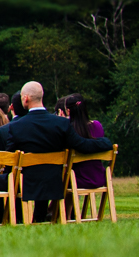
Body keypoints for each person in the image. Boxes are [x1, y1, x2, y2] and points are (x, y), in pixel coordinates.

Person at [7, 81, 108, 218]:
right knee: (47, 172)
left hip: (28, 180)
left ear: (26, 98)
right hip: (55, 179)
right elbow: (83, 145)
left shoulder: (16, 127)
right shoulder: (61, 123)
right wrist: (105, 142)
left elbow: (9, 155)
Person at [63, 94, 109, 201]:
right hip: (99, 177)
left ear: (68, 111)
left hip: (78, 179)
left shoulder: (69, 130)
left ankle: (55, 212)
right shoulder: (97, 126)